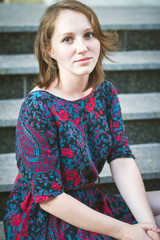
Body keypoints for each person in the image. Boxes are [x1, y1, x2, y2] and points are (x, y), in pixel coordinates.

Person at [4, 0, 160, 239]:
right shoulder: (37, 107)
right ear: (49, 50)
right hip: (46, 215)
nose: (83, 47)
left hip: (90, 200)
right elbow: (49, 197)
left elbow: (121, 157)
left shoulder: (104, 92)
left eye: (88, 35)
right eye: (68, 39)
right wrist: (125, 231)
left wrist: (149, 227)